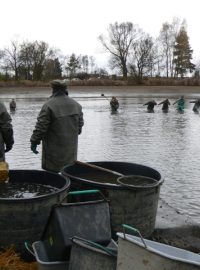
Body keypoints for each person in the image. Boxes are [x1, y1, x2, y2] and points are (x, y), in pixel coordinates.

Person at [30, 79, 84, 173]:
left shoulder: (48, 105)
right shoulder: (76, 105)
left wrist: (34, 141)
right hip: (70, 151)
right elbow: (79, 128)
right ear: (65, 89)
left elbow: (41, 128)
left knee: (53, 178)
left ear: (53, 90)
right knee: (68, 172)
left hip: (53, 151)